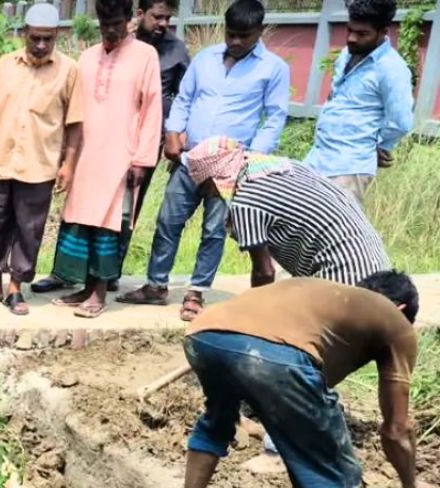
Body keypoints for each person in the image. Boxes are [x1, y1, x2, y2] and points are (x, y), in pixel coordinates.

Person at [169, 274, 440, 488]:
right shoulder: (397, 323)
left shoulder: (323, 297)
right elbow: (397, 430)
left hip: (203, 335)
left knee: (217, 421)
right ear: (402, 308)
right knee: (337, 476)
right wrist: (411, 485)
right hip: (275, 355)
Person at [118, 0, 288, 320]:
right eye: (231, 34)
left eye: (244, 36)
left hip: (231, 165)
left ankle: (197, 292)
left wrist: (248, 160)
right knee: (168, 221)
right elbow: (184, 98)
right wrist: (173, 132)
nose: (235, 42)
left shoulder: (273, 68)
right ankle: (156, 285)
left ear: (259, 32)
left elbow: (275, 118)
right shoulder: (206, 59)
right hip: (190, 158)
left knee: (213, 230)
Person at [41, 0, 161, 319]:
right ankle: (82, 287)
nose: (110, 30)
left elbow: (152, 110)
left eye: (116, 24)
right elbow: (75, 109)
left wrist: (142, 160)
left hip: (122, 155)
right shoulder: (87, 56)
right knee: (81, 218)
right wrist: (66, 154)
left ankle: (99, 292)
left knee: (109, 221)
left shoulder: (146, 55)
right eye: (104, 24)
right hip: (85, 153)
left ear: (130, 20)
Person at [0, 3, 81, 316]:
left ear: (56, 35)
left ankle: (16, 289)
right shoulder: (4, 65)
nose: (41, 45)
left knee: (29, 231)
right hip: (0, 161)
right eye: (35, 38)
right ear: (24, 33)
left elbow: (75, 123)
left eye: (48, 39)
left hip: (39, 166)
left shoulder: (69, 70)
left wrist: (68, 165)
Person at [185, 135, 390, 288]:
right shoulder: (282, 167)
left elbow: (264, 273)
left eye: (203, 185)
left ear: (214, 178)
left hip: (342, 277)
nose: (206, 194)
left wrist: (251, 317)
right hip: (377, 269)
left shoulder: (245, 201)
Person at [304, 0, 414, 206]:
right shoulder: (347, 54)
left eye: (362, 34)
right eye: (349, 30)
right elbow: (336, 96)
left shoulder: (392, 68)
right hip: (317, 157)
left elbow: (401, 122)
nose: (351, 38)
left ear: (383, 31)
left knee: (331, 233)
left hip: (348, 169)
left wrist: (378, 146)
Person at [131, 0, 189, 219]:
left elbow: (185, 97)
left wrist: (176, 132)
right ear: (140, 14)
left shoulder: (177, 49)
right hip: (115, 132)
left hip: (150, 138)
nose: (164, 23)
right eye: (157, 17)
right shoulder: (124, 41)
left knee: (135, 195)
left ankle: (120, 248)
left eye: (168, 18)